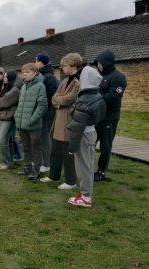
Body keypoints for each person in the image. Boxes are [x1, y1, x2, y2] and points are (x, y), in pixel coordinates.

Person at [66, 66, 106, 207]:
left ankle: (85, 197)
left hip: (83, 134)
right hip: (91, 132)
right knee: (87, 165)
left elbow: (77, 126)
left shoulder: (85, 99)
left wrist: (72, 147)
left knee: (83, 166)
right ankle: (85, 193)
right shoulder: (97, 96)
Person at [40, 53, 82, 189]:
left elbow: (69, 99)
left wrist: (59, 100)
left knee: (67, 153)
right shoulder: (64, 80)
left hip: (68, 120)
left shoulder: (78, 82)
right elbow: (54, 98)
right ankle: (54, 176)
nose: (62, 68)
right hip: (58, 120)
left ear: (73, 65)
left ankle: (71, 181)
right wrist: (60, 101)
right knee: (55, 150)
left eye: (64, 66)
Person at [94, 50, 127, 181]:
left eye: (100, 63)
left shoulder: (118, 77)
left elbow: (113, 96)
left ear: (106, 63)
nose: (98, 66)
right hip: (97, 116)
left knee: (105, 145)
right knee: (90, 142)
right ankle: (86, 167)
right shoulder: (101, 76)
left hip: (109, 118)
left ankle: (101, 171)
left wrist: (94, 98)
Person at [15, 63, 47, 180]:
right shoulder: (23, 86)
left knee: (36, 148)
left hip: (34, 125)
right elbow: (21, 105)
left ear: (35, 73)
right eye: (23, 72)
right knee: (26, 147)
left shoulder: (40, 86)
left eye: (28, 72)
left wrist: (32, 119)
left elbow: (42, 106)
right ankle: (28, 168)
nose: (25, 74)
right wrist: (17, 117)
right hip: (22, 124)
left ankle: (36, 170)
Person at [35, 53, 59, 173]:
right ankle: (45, 161)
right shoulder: (43, 75)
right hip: (44, 111)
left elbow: (50, 96)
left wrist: (43, 108)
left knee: (46, 138)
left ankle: (47, 163)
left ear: (41, 62)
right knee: (43, 137)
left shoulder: (48, 77)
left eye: (36, 61)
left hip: (47, 112)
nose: (35, 63)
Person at [0, 71, 20, 170]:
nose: (4, 78)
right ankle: (9, 161)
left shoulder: (14, 90)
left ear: (11, 77)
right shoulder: (6, 87)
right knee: (8, 140)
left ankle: (6, 162)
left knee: (2, 140)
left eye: (6, 77)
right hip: (3, 116)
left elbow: (1, 103)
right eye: (4, 77)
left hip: (9, 117)